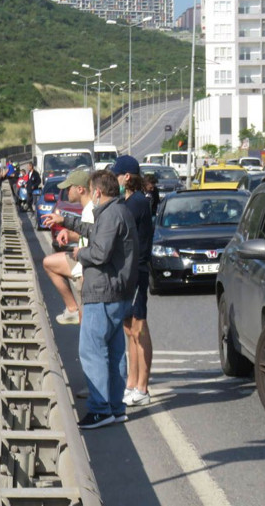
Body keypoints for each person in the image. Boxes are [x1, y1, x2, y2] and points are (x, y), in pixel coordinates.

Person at [73, 170, 138, 429]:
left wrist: (79, 253)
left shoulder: (110, 214)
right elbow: (97, 232)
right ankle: (115, 407)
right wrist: (67, 221)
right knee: (114, 353)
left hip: (103, 292)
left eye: (92, 192)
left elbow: (99, 253)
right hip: (117, 293)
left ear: (97, 192)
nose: (91, 196)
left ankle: (100, 410)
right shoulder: (119, 211)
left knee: (92, 351)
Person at [111, 156, 154, 407]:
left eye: (116, 175)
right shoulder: (127, 201)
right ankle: (131, 384)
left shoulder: (136, 202)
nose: (114, 180)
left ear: (127, 177)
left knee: (139, 329)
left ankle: (143, 388)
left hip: (136, 271)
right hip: (127, 273)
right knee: (129, 331)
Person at [41, 169, 95, 325]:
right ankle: (72, 309)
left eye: (68, 188)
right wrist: (70, 235)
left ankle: (74, 310)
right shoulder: (88, 208)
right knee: (49, 262)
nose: (66, 191)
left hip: (86, 268)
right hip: (83, 262)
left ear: (80, 189)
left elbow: (98, 239)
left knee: (87, 325)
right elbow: (89, 233)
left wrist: (82, 252)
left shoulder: (91, 210)